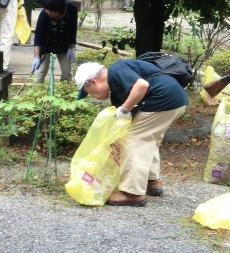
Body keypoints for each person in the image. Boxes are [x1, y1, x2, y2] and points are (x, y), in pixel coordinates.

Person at [75, 59, 188, 207]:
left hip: (162, 99)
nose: (93, 96)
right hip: (175, 99)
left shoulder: (115, 70)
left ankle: (132, 193)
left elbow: (142, 85)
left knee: (133, 139)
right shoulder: (116, 90)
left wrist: (124, 109)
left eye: (89, 92)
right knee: (148, 137)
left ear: (93, 81)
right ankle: (152, 181)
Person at [31, 0, 78, 83]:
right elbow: (38, 37)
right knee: (39, 73)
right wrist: (37, 57)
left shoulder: (72, 9)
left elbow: (73, 28)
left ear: (60, 9)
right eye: (46, 9)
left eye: (51, 10)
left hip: (63, 44)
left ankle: (65, 93)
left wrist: (71, 47)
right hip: (46, 45)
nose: (48, 12)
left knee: (67, 72)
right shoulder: (44, 15)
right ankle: (36, 93)